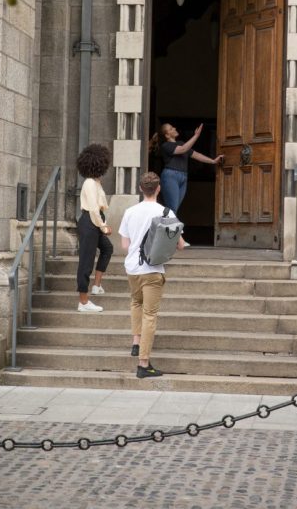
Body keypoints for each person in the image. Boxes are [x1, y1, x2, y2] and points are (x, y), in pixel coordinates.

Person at [119, 171, 185, 378]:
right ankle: (143, 364)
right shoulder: (166, 212)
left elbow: (124, 245)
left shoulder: (129, 211)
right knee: (150, 315)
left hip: (132, 269)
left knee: (136, 303)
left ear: (140, 188)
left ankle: (136, 342)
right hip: (153, 270)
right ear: (158, 189)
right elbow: (180, 245)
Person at [149, 122, 224, 215]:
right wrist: (196, 136)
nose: (174, 128)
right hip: (170, 176)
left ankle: (167, 227)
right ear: (167, 135)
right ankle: (169, 228)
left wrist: (213, 161)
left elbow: (196, 155)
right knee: (172, 208)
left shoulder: (181, 143)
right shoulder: (166, 146)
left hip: (183, 177)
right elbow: (183, 149)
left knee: (174, 208)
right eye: (171, 128)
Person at [76, 144, 113, 313]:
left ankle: (96, 285)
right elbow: (93, 209)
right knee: (86, 262)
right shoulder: (90, 183)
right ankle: (83, 302)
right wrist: (103, 226)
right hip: (90, 222)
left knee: (107, 248)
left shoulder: (96, 182)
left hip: (94, 222)